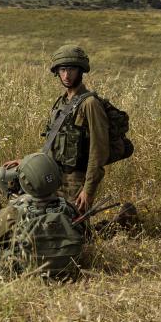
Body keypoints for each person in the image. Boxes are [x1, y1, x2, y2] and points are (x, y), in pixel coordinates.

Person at [0, 152, 86, 280]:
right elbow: (84, 234)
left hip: (24, 270)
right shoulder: (69, 207)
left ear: (26, 183)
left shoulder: (14, 212)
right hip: (67, 269)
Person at [39, 45, 109, 214]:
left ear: (81, 71)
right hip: (53, 176)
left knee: (73, 232)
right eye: (62, 70)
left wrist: (88, 189)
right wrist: (29, 162)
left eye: (71, 70)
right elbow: (52, 143)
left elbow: (98, 150)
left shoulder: (90, 104)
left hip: (76, 180)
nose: (66, 75)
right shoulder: (61, 103)